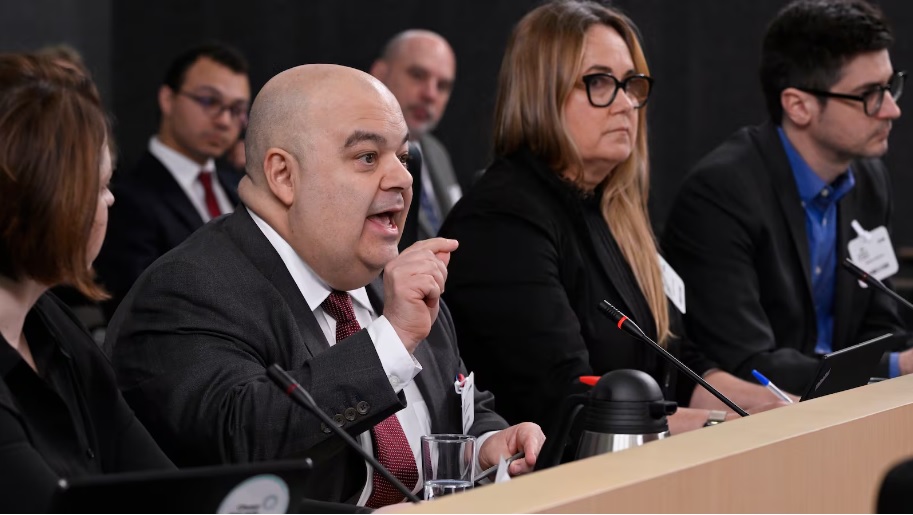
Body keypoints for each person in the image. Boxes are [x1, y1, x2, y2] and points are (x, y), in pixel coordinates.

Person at [105, 63, 544, 507]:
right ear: (283, 175)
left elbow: (464, 409)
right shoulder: (188, 290)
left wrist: (484, 450)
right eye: (367, 157)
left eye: (403, 157)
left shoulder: (392, 281)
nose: (402, 178)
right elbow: (243, 448)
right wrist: (391, 341)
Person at [439, 0, 785, 436]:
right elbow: (567, 404)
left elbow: (677, 365)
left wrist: (778, 406)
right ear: (541, 92)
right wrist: (729, 424)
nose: (625, 104)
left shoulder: (613, 208)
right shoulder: (501, 222)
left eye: (631, 84)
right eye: (600, 82)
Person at [661, 0, 912, 396]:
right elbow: (747, 362)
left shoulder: (869, 178)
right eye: (869, 94)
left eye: (890, 86)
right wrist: (897, 366)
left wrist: (891, 362)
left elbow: (883, 327)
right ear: (798, 106)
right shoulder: (720, 194)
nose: (892, 110)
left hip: (849, 406)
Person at [0, 53, 173, 512]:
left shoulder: (52, 323)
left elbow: (167, 490)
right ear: (49, 199)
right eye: (99, 186)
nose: (110, 201)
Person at [94, 42, 251, 320]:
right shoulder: (125, 197)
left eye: (237, 109)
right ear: (168, 99)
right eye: (209, 101)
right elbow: (139, 303)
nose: (225, 121)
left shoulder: (243, 187)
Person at [371, 30, 462, 243]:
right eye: (418, 75)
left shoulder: (436, 151)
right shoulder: (358, 151)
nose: (430, 94)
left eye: (442, 86)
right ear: (380, 74)